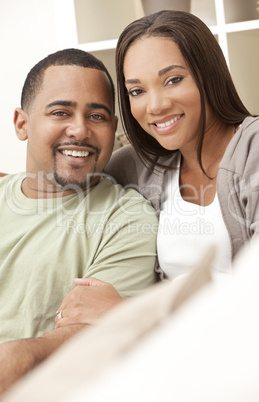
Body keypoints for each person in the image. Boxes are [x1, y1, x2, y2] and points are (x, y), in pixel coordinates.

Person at [54, 10, 259, 328]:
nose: (155, 106)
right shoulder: (142, 165)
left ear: (208, 74)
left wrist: (127, 315)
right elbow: (68, 181)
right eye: (137, 91)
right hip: (172, 352)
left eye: (172, 80)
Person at [0, 48, 158, 393]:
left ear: (114, 130)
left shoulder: (127, 218)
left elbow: (94, 334)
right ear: (21, 123)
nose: (79, 130)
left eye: (97, 117)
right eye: (60, 112)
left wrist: (18, 356)